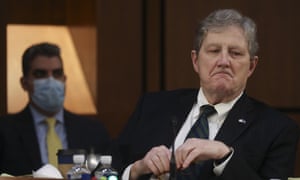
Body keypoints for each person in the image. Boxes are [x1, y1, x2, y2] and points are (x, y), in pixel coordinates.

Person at [112, 9, 300, 180]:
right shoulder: (152, 106)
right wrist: (135, 170)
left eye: (235, 53)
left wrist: (225, 157)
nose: (224, 61)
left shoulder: (277, 129)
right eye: (214, 51)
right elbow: (106, 169)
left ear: (251, 66)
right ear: (195, 61)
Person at [0, 42, 111, 176]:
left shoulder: (93, 131)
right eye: (41, 74)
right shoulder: (5, 132)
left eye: (57, 73)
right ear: (24, 83)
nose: (50, 81)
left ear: (64, 80)